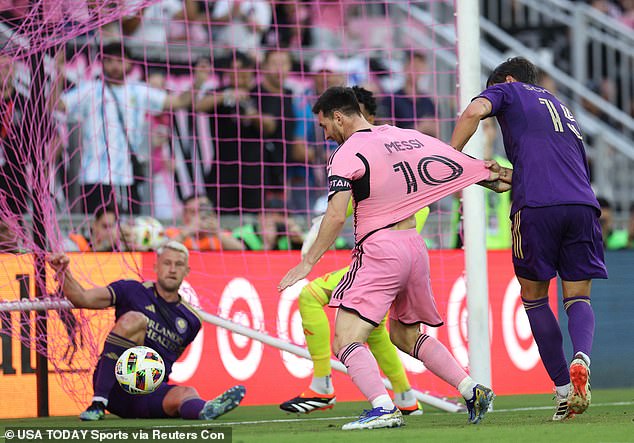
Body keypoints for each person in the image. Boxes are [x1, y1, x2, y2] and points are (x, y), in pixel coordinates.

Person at [279, 86, 503, 430]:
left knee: (345, 340)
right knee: (404, 333)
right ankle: (471, 389)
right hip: (414, 245)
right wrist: (483, 173)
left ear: (339, 117)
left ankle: (383, 407)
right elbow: (444, 157)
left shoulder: (345, 154)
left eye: (325, 126)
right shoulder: (401, 137)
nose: (325, 135)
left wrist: (307, 262)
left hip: (380, 249)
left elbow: (336, 216)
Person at [450, 56, 607, 421]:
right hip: (583, 205)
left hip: (536, 207)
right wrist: (509, 175)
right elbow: (556, 164)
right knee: (578, 296)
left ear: (506, 80)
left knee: (535, 298)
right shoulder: (561, 108)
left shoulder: (507, 90)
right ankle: (581, 357)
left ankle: (564, 391)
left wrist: (450, 158)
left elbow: (473, 113)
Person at [47, 241, 246, 420]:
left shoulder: (192, 320)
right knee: (136, 319)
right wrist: (64, 272)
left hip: (147, 392)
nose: (172, 269)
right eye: (167, 263)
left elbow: (165, 360)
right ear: (156, 267)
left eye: (178, 265)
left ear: (187, 271)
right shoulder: (132, 291)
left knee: (187, 392)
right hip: (114, 385)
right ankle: (98, 403)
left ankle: (206, 410)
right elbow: (83, 298)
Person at [280, 207, 429, 416]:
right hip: (403, 262)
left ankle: (322, 386)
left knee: (310, 295)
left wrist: (317, 231)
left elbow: (342, 207)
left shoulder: (390, 180)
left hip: (381, 264)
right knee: (374, 328)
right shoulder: (416, 182)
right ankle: (406, 398)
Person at [59, 42, 193, 215]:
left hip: (127, 178)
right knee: (96, 233)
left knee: (129, 234)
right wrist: (57, 74)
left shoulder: (139, 91)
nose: (115, 66)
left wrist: (198, 84)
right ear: (102, 63)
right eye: (109, 61)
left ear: (129, 63)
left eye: (119, 60)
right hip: (94, 177)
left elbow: (179, 102)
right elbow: (57, 106)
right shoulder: (90, 90)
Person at [164, 194, 243, 251]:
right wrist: (187, 232)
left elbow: (240, 249)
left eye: (204, 211)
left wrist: (218, 233)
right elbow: (161, 250)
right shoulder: (172, 233)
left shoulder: (221, 235)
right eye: (193, 212)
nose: (200, 216)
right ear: (184, 216)